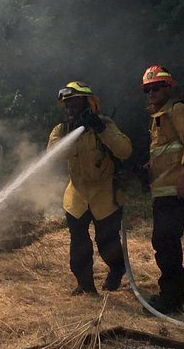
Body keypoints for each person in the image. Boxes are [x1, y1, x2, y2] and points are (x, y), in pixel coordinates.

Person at [48, 81, 132, 296]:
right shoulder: (62, 130)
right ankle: (85, 284)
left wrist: (101, 129)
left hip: (105, 194)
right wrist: (73, 134)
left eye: (75, 105)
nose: (70, 110)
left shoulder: (104, 125)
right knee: (79, 243)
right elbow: (53, 155)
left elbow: (124, 150)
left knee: (107, 242)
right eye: (67, 106)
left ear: (89, 104)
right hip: (76, 195)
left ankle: (116, 270)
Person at [142, 65, 184, 313]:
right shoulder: (158, 117)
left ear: (168, 87)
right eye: (147, 89)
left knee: (165, 241)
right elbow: (167, 152)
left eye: (156, 87)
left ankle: (170, 298)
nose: (151, 92)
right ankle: (179, 293)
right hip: (163, 191)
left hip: (174, 190)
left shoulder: (178, 110)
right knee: (167, 242)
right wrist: (149, 166)